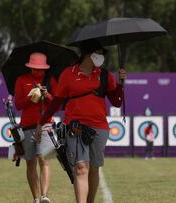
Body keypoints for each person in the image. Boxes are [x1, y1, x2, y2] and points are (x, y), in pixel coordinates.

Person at [35, 40, 126, 203]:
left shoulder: (104, 75)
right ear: (87, 54)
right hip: (75, 127)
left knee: (94, 168)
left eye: (102, 53)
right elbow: (56, 102)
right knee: (80, 168)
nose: (101, 56)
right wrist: (41, 123)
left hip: (100, 127)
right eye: (98, 53)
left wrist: (120, 84)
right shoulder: (68, 74)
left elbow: (117, 102)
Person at [14, 52, 58, 203]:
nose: (37, 72)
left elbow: (56, 105)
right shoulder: (21, 80)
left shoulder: (50, 80)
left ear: (45, 69)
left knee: (43, 158)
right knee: (30, 162)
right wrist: (30, 97)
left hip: (46, 125)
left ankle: (44, 196)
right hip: (27, 126)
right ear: (29, 67)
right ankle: (36, 199)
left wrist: (47, 95)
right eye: (34, 68)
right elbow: (18, 105)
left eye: (40, 69)